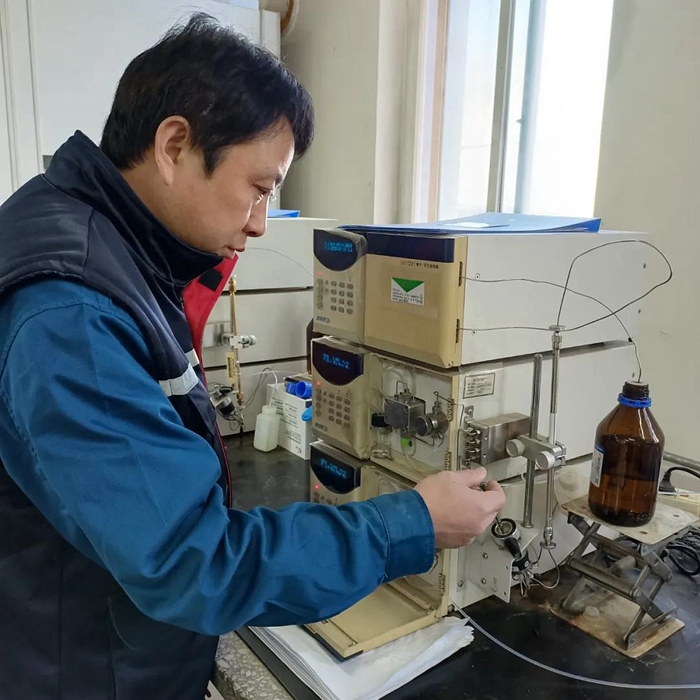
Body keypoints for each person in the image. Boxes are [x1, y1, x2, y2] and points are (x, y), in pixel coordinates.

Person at [0, 14, 506, 700]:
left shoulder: (98, 243)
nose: (263, 222)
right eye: (260, 187)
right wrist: (414, 522)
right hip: (87, 669)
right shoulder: (73, 315)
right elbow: (194, 563)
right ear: (174, 146)